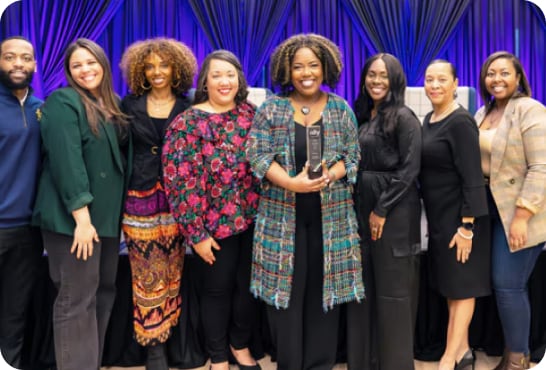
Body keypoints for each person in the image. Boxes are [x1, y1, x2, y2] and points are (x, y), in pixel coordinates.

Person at [246, 33, 365, 370]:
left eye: (313, 65)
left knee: (323, 294)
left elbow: (353, 156)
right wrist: (291, 184)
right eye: (298, 66)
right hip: (281, 219)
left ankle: (319, 364)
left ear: (325, 67)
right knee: (286, 296)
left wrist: (332, 174)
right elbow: (257, 155)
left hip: (333, 218)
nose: (306, 72)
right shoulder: (272, 108)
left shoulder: (341, 108)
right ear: (287, 70)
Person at [32, 38, 129, 370]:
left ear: (103, 63)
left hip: (105, 220)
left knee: (103, 294)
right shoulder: (63, 101)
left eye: (91, 62)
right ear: (69, 72)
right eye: (77, 65)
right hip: (74, 223)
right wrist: (82, 220)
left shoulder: (112, 104)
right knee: (76, 301)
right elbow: (66, 162)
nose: (86, 69)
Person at [162, 50, 261, 370]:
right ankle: (218, 356)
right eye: (216, 74)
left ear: (240, 80)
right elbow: (179, 183)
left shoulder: (251, 114)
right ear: (205, 80)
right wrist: (197, 234)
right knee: (217, 292)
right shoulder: (187, 123)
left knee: (248, 290)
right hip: (212, 228)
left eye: (230, 74)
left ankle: (239, 345)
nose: (224, 81)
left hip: (254, 221)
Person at [119, 37, 197, 370]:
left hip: (178, 200)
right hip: (139, 199)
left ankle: (171, 339)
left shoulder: (190, 105)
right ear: (140, 70)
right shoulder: (129, 104)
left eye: (163, 65)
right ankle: (153, 348)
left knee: (173, 272)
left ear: (176, 67)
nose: (157, 72)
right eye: (149, 66)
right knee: (145, 275)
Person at [346, 53, 421, 370]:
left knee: (393, 294)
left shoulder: (404, 117)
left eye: (384, 75)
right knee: (364, 292)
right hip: (362, 209)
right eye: (371, 74)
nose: (376, 81)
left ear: (395, 79)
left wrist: (381, 209)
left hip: (393, 212)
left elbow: (409, 170)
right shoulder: (363, 115)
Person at [475, 51, 546, 370]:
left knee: (508, 284)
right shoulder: (481, 112)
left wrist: (523, 216)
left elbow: (542, 167)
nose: (497, 79)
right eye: (491, 73)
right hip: (487, 208)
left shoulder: (530, 109)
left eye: (504, 73)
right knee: (496, 284)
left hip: (519, 211)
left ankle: (518, 358)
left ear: (518, 77)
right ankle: (511, 350)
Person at [420, 59, 490, 370]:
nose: (434, 85)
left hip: (462, 220)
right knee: (451, 286)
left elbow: (473, 177)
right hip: (439, 218)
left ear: (455, 83)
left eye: (441, 80)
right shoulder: (429, 118)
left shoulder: (461, 122)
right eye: (429, 79)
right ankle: (463, 352)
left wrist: (467, 227)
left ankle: (448, 360)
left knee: (462, 288)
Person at [0, 36, 43, 369]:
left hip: (28, 231)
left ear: (34, 64)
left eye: (25, 58)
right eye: (9, 57)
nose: (18, 64)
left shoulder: (42, 109)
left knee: (15, 312)